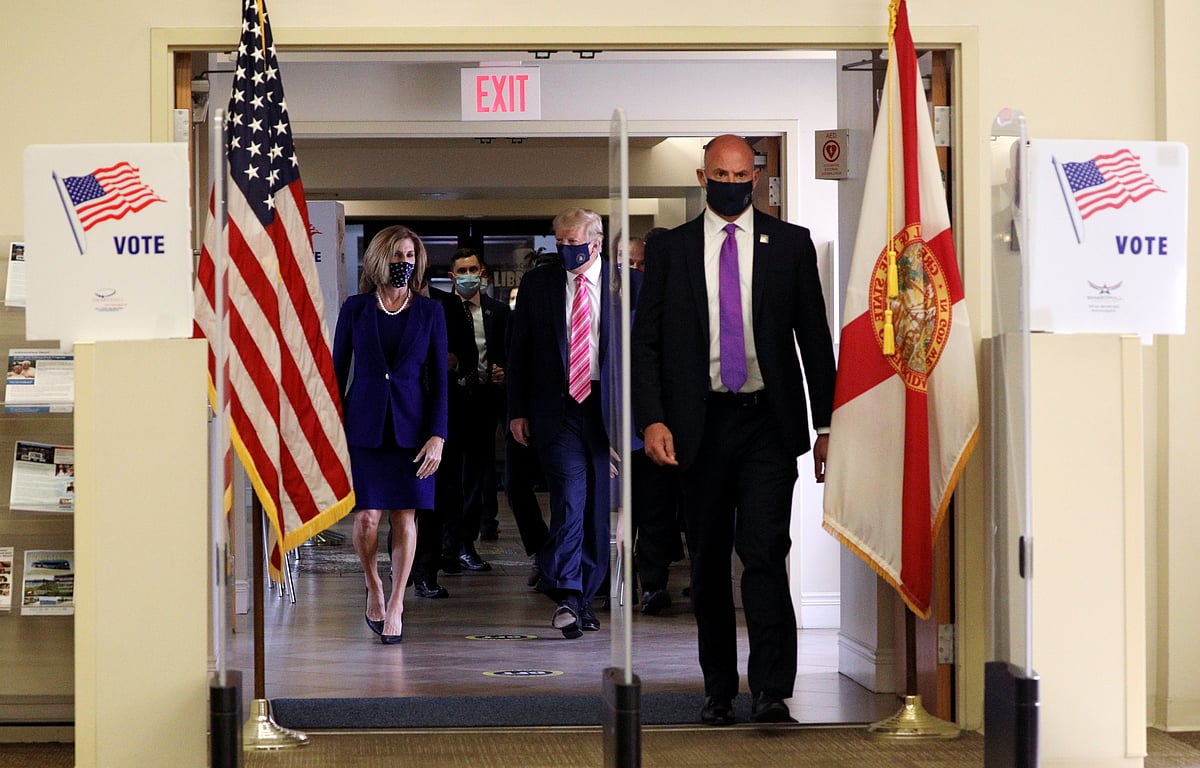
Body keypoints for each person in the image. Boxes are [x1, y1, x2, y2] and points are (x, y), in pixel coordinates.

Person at [631, 135, 836, 724]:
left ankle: (772, 688)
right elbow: (646, 344)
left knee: (766, 552)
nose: (731, 182)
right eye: (720, 173)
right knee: (708, 562)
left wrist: (826, 426)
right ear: (702, 177)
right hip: (699, 427)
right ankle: (718, 689)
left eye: (742, 173)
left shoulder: (790, 246)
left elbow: (815, 343)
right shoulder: (669, 250)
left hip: (769, 424)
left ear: (757, 176)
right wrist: (652, 418)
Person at [332, 225, 448, 644]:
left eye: (410, 256)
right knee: (365, 517)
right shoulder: (355, 308)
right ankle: (373, 584)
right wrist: (330, 430)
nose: (404, 262)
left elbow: (438, 379)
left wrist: (438, 434)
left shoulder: (430, 313)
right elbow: (335, 370)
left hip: (414, 431)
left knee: (404, 517)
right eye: (397, 255)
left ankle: (397, 600)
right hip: (363, 428)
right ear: (381, 259)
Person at [508, 207, 613, 639]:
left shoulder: (629, 285)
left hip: (608, 409)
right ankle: (568, 593)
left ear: (597, 241)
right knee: (570, 499)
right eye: (561, 242)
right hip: (560, 408)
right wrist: (517, 409)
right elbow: (520, 352)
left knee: (599, 511)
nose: (567, 250)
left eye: (575, 242)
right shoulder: (539, 285)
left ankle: (584, 598)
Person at [444, 248, 509, 549]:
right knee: (450, 474)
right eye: (462, 271)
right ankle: (448, 539)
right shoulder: (441, 309)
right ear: (452, 276)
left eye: (473, 270)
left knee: (477, 474)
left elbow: (509, 353)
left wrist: (503, 371)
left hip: (484, 399)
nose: (469, 276)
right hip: (451, 400)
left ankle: (466, 542)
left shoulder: (498, 311)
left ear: (482, 273)